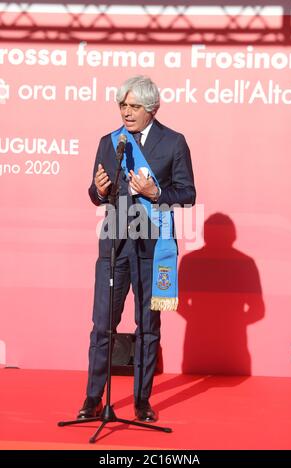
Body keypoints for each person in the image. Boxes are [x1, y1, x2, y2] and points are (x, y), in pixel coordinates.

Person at [78, 75, 196, 422]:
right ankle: (93, 397)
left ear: (152, 109)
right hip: (114, 243)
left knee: (147, 324)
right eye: (122, 106)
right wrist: (99, 190)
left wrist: (156, 194)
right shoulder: (109, 142)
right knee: (103, 325)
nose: (126, 113)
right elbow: (96, 193)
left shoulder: (173, 142)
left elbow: (187, 194)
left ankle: (142, 399)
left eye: (133, 107)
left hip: (152, 244)